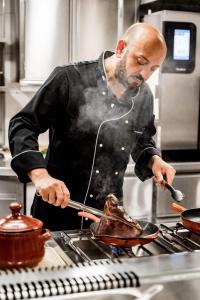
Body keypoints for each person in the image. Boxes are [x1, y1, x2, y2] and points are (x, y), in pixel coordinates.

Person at [8, 22, 175, 231]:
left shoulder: (144, 95)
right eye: (141, 61)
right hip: (59, 214)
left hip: (108, 219)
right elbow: (23, 124)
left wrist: (154, 159)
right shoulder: (69, 78)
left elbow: (142, 139)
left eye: (153, 68)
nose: (145, 74)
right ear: (121, 48)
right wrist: (39, 175)